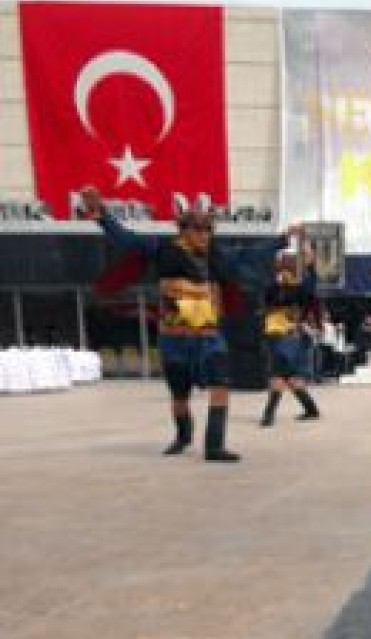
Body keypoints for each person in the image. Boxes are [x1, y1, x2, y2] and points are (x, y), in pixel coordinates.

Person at [81, 185, 290, 462]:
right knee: (180, 396)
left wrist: (281, 241)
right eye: (199, 230)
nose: (205, 235)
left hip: (208, 337)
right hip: (174, 339)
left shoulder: (216, 253)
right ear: (184, 229)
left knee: (221, 386)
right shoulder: (161, 249)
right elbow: (127, 240)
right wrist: (103, 217)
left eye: (208, 230)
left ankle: (214, 446)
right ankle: (182, 436)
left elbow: (247, 254)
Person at [260, 247, 322, 427]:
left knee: (279, 374)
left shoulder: (295, 286)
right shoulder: (280, 285)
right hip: (284, 334)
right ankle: (311, 410)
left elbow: (307, 289)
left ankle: (269, 414)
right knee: (292, 376)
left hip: (286, 334)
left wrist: (309, 265)